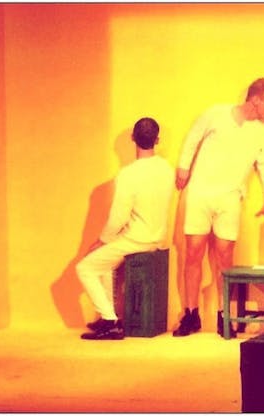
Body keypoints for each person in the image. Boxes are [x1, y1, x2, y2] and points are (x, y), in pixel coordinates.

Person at [173, 78, 264, 337]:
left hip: (230, 197)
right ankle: (191, 314)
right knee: (193, 253)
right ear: (255, 99)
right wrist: (183, 166)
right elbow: (192, 138)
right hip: (200, 192)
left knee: (224, 258)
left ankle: (224, 316)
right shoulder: (216, 113)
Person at [77, 117, 174, 340]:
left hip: (137, 239)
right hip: (157, 237)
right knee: (105, 263)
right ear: (157, 140)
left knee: (85, 267)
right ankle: (108, 316)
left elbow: (118, 217)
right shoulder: (167, 170)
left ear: (133, 139)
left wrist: (102, 239)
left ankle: (111, 322)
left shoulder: (129, 174)